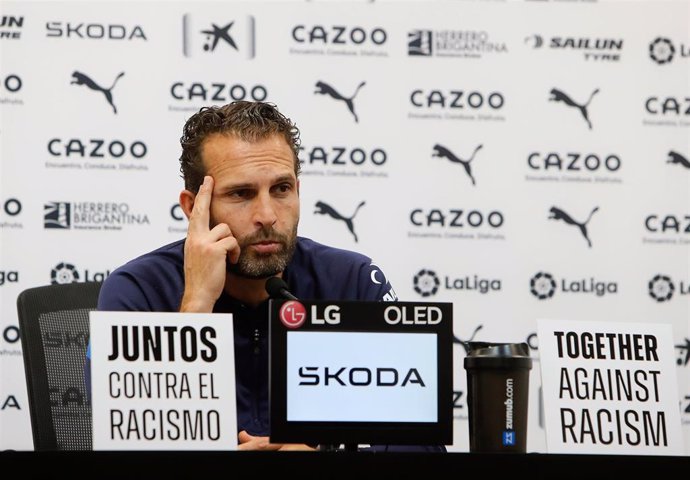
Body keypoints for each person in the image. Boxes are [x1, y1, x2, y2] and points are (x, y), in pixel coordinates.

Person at [87, 100, 444, 452]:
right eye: (241, 194)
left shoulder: (353, 281)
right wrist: (196, 306)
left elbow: (421, 450)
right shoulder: (136, 291)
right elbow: (129, 448)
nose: (268, 215)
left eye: (281, 189)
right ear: (192, 207)